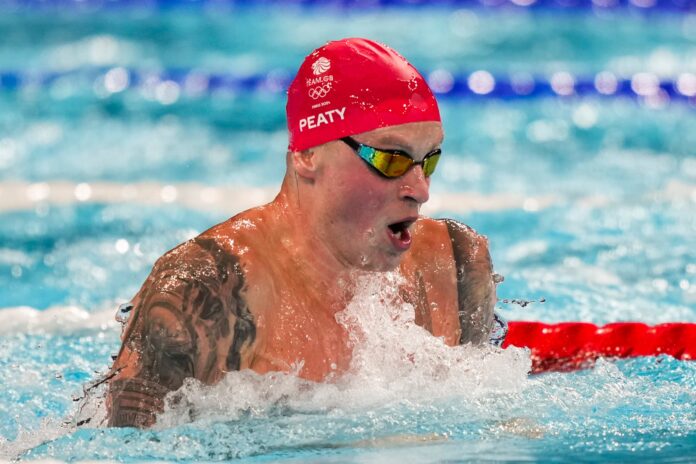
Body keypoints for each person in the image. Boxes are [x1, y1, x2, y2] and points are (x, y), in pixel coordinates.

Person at [106, 38, 503, 428]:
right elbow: (123, 453)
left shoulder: (453, 265)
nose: (420, 190)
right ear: (308, 155)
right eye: (390, 159)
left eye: (428, 160)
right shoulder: (209, 289)